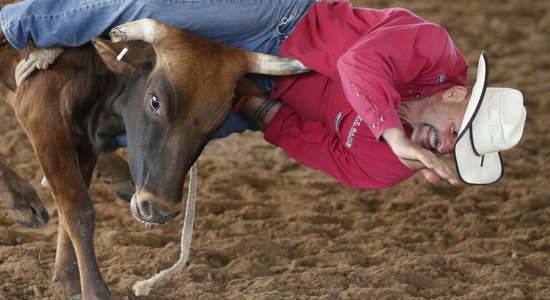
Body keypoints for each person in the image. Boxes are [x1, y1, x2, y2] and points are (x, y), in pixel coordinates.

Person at [0, 0, 526, 189]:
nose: (438, 146)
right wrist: (392, 132)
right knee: (150, 6)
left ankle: (100, 141)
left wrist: (249, 102)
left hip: (267, 87)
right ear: (458, 95)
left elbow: (311, 144)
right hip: (283, 21)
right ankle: (15, 23)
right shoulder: (433, 48)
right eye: (457, 135)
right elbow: (357, 61)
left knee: (183, 125)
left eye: (451, 152)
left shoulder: (389, 166)